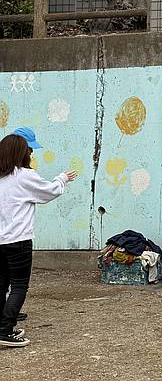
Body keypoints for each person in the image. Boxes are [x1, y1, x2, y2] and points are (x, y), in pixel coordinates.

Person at [0, 128, 77, 348]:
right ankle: (5, 330)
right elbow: (49, 191)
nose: (30, 155)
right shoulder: (24, 176)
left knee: (1, 285)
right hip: (18, 241)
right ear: (21, 154)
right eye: (29, 151)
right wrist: (62, 178)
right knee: (19, 286)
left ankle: (1, 327)